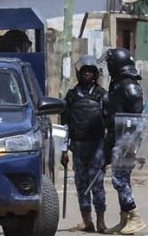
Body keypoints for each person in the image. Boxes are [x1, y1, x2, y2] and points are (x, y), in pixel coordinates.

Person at [100, 48, 146, 235]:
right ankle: (124, 220)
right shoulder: (119, 84)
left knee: (119, 178)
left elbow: (134, 114)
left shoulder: (129, 85)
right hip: (118, 136)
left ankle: (135, 216)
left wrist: (126, 140)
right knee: (123, 178)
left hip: (127, 138)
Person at [60, 55, 108, 233]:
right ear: (79, 73)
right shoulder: (72, 96)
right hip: (78, 147)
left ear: (96, 73)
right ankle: (87, 222)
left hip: (97, 146)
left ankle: (101, 222)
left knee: (97, 185)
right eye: (84, 71)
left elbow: (109, 122)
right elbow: (65, 124)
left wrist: (107, 149)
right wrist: (63, 150)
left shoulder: (102, 95)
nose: (87, 74)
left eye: (91, 71)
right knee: (81, 184)